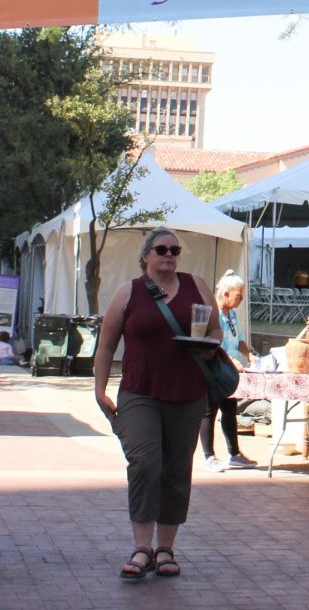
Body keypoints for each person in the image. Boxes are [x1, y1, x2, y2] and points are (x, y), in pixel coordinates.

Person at [93, 227, 221, 582]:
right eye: (161, 249)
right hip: (140, 392)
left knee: (177, 470)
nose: (169, 254)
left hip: (187, 392)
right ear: (146, 256)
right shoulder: (129, 292)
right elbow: (105, 346)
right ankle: (141, 546)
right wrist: (99, 389)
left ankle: (165, 548)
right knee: (145, 463)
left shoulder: (196, 285)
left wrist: (208, 344)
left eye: (175, 249)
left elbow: (216, 330)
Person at [199, 270, 257, 471]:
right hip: (214, 368)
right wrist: (231, 360)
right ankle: (209, 456)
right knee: (209, 412)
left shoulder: (231, 313)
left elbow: (238, 338)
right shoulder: (212, 312)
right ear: (225, 294)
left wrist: (249, 355)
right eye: (238, 296)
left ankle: (234, 453)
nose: (240, 300)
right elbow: (214, 344)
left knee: (230, 410)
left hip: (228, 371)